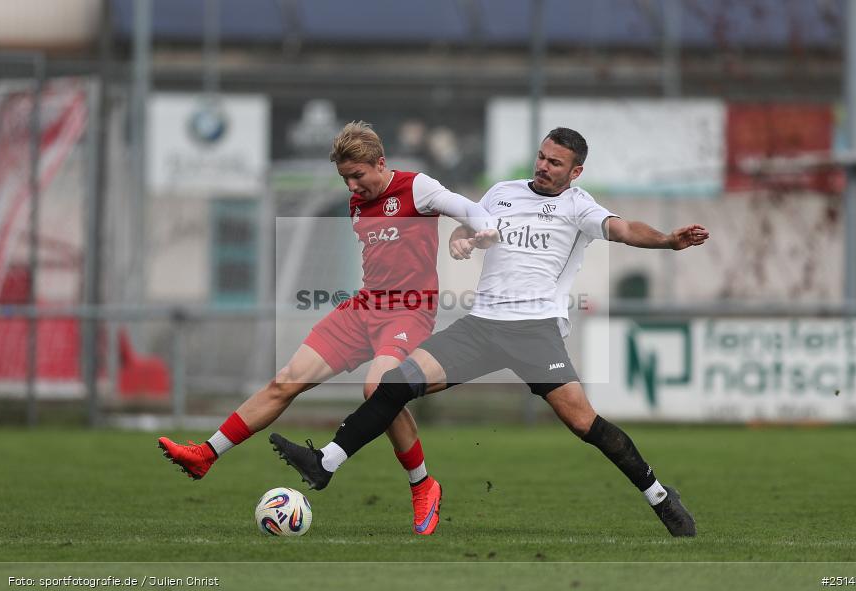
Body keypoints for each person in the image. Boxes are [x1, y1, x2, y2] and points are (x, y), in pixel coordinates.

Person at [269, 127, 709, 537]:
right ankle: (325, 462)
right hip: (481, 326)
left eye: (555, 163)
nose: (542, 166)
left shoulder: (579, 206)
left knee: (582, 422)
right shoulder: (503, 192)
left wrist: (668, 240)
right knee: (393, 384)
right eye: (541, 156)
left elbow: (625, 228)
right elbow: (473, 225)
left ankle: (659, 496)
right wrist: (463, 239)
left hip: (535, 332)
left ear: (575, 172)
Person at [158, 121, 497, 536]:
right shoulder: (358, 202)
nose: (352, 186)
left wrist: (477, 233)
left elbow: (469, 209)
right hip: (364, 307)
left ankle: (423, 485)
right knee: (286, 381)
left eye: (358, 175)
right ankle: (206, 454)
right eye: (345, 178)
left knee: (379, 389)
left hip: (408, 312)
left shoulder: (416, 187)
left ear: (381, 163)